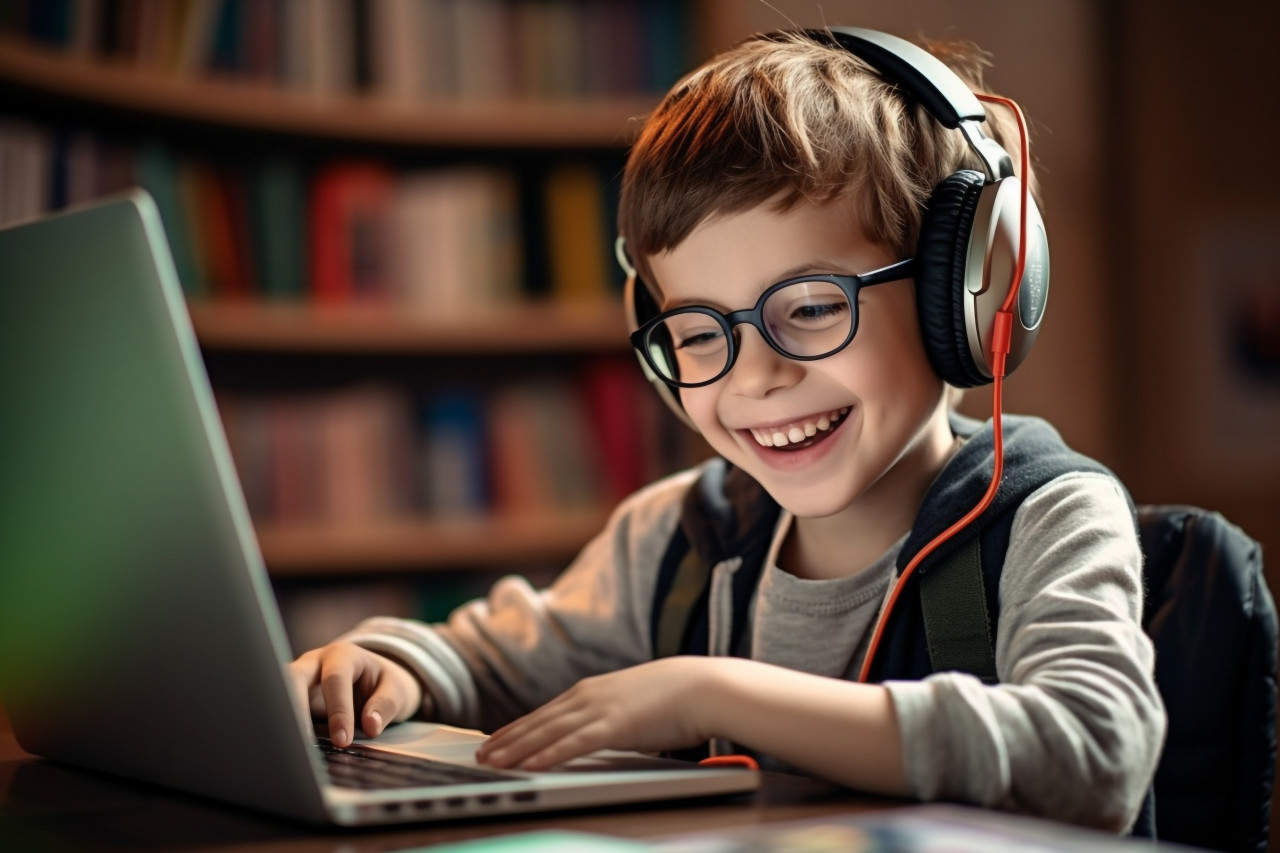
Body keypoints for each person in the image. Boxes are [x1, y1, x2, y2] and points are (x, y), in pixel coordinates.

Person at [289, 27, 1166, 834]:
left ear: (970, 288)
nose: (754, 376)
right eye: (700, 332)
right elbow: (489, 664)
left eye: (815, 306)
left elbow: (1094, 752)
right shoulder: (676, 538)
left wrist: (720, 693)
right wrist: (386, 667)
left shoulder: (1047, 516)